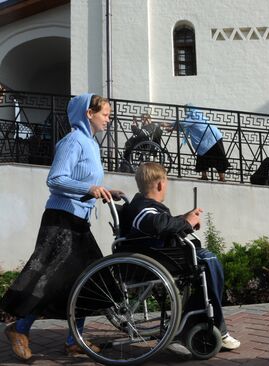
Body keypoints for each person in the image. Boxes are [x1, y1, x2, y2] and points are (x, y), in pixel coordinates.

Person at [1, 93, 123, 360]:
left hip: (77, 222)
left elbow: (85, 184)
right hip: (60, 221)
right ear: (88, 114)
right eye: (105, 114)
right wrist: (89, 188)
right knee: (50, 278)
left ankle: (73, 339)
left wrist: (103, 192)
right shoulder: (73, 141)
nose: (109, 119)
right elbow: (55, 179)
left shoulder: (91, 144)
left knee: (86, 279)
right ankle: (18, 328)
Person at [119, 162, 240, 353]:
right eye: (166, 183)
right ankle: (207, 324)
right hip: (157, 260)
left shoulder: (144, 206)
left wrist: (185, 220)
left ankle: (193, 322)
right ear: (160, 185)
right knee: (209, 261)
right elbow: (156, 225)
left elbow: (162, 224)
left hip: (163, 257)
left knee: (207, 262)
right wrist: (185, 221)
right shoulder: (141, 208)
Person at [179, 105, 230, 181]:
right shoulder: (198, 115)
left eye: (186, 110)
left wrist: (169, 125)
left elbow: (182, 124)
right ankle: (215, 177)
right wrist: (171, 127)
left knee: (210, 157)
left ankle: (213, 176)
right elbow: (183, 125)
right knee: (214, 156)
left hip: (210, 139)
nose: (185, 111)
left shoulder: (193, 117)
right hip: (213, 137)